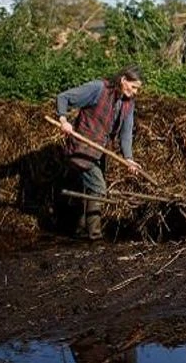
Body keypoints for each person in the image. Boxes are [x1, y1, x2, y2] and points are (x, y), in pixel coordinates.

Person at [55, 65, 143, 240]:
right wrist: (63, 119)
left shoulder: (128, 103)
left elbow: (126, 133)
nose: (134, 92)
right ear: (123, 80)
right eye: (133, 87)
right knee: (98, 187)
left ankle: (80, 230)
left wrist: (129, 159)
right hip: (82, 148)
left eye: (138, 89)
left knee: (90, 190)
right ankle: (95, 235)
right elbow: (63, 97)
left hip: (100, 152)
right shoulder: (98, 88)